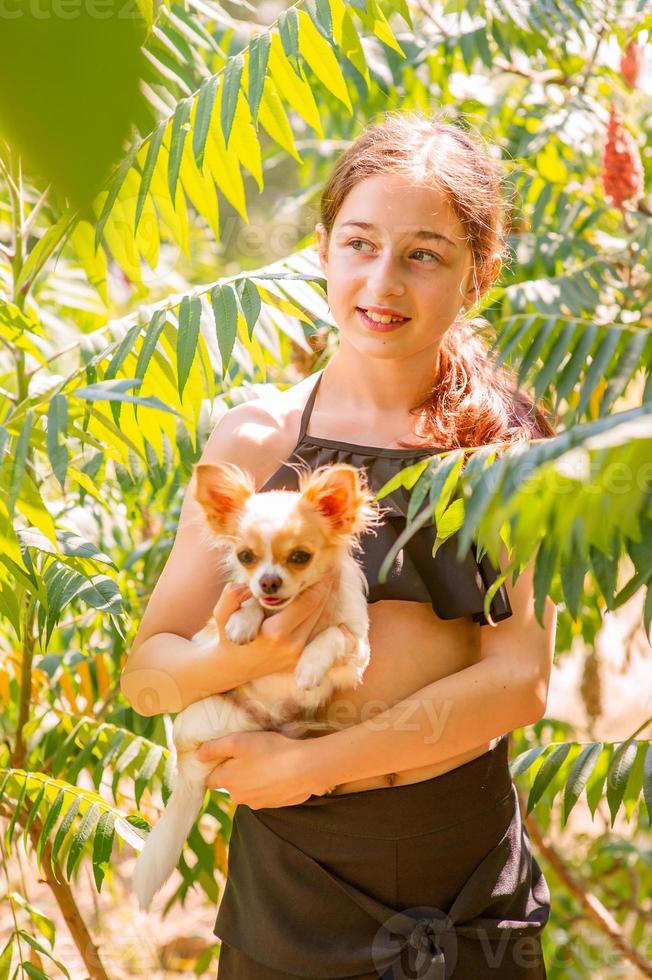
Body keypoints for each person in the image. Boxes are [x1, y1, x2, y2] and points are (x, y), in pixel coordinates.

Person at [121, 110, 558, 979]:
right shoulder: (256, 443)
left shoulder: (507, 450)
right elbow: (148, 676)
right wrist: (259, 647)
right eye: (359, 242)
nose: (382, 281)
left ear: (481, 272)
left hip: (461, 868)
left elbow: (521, 680)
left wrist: (309, 765)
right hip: (294, 879)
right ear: (323, 248)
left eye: (424, 252)